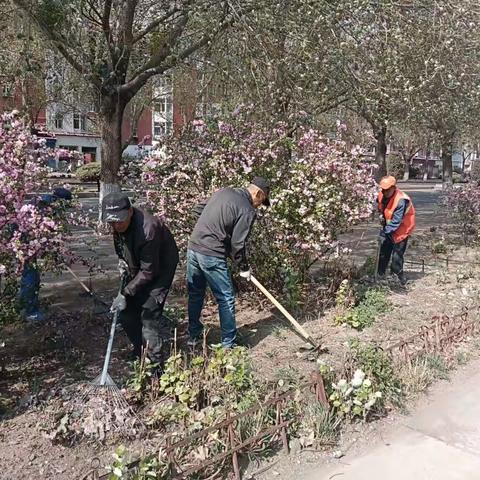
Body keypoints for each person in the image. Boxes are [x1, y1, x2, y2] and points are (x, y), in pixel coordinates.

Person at [187, 177, 271, 348]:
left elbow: (197, 210)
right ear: (258, 193)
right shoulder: (247, 210)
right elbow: (238, 244)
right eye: (261, 202)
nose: (259, 206)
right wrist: (244, 267)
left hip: (193, 247)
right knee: (226, 298)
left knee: (196, 294)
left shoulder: (224, 192)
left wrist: (209, 228)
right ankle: (228, 344)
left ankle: (193, 336)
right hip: (211, 253)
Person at [102, 192, 179, 367]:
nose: (116, 225)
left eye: (120, 220)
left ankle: (156, 367)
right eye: (112, 222)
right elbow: (121, 243)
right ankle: (140, 352)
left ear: (130, 211)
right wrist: (122, 260)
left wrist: (125, 292)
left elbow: (149, 271)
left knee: (148, 315)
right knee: (127, 314)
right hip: (140, 267)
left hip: (160, 270)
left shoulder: (148, 229)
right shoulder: (119, 225)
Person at [19, 187, 73, 322]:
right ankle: (30, 312)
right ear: (60, 201)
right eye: (65, 205)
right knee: (30, 274)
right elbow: (44, 230)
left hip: (24, 239)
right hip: (25, 242)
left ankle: (24, 304)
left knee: (31, 274)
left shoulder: (42, 201)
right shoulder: (46, 207)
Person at [377, 176, 416, 285]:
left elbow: (396, 221)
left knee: (397, 255)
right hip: (389, 229)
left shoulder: (401, 200)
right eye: (383, 189)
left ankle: (398, 277)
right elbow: (380, 206)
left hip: (402, 230)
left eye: (387, 189)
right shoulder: (382, 195)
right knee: (384, 251)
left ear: (394, 188)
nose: (384, 192)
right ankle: (380, 273)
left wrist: (384, 233)